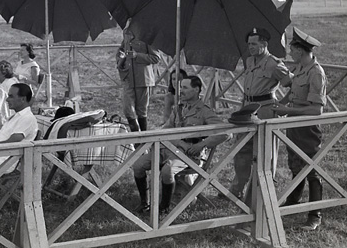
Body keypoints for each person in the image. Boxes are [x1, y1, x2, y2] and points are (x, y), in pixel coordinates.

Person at [132, 76, 230, 213]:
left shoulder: (204, 111)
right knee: (137, 165)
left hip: (188, 155)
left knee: (167, 171)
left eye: (185, 87)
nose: (180, 91)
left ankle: (164, 208)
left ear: (196, 90)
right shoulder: (179, 109)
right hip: (168, 149)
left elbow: (226, 133)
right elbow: (166, 129)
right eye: (180, 87)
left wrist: (202, 145)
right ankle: (145, 203)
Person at [272, 27, 327, 231]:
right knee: (295, 164)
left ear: (300, 51)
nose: (290, 53)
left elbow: (316, 110)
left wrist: (287, 110)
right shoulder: (300, 67)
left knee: (311, 169)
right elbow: (294, 92)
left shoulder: (316, 73)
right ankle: (293, 202)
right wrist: (280, 105)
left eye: (292, 50)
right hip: (293, 125)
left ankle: (314, 215)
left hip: (307, 128)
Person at [228, 28, 292, 200]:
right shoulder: (250, 61)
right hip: (247, 109)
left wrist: (281, 104)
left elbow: (293, 85)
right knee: (242, 150)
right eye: (249, 44)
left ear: (265, 44)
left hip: (265, 110)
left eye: (254, 44)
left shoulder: (274, 64)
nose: (251, 47)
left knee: (265, 153)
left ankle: (260, 191)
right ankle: (237, 188)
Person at [116, 24, 159, 132]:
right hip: (128, 77)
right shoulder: (126, 32)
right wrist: (121, 58)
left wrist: (137, 55)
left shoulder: (148, 35)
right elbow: (122, 49)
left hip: (143, 78)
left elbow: (155, 58)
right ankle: (136, 134)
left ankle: (142, 138)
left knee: (141, 111)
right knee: (127, 109)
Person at [0, 60, 18, 133]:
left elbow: (0, 112)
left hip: (5, 127)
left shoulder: (1, 89)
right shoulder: (14, 81)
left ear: (4, 73)